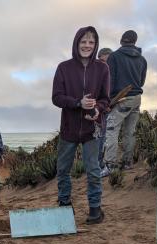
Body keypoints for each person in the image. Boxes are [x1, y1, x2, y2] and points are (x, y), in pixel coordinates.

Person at [52, 26, 110, 224]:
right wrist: (78, 103)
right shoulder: (63, 67)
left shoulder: (103, 68)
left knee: (93, 170)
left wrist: (97, 110)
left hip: (92, 129)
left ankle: (95, 210)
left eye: (91, 42)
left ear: (96, 45)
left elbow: (105, 99)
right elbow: (56, 97)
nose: (87, 45)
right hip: (68, 128)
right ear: (76, 43)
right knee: (63, 170)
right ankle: (64, 206)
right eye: (83, 41)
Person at [101, 30, 147, 176]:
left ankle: (110, 166)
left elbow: (110, 81)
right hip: (136, 99)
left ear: (121, 40)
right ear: (135, 42)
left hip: (121, 99)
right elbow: (141, 82)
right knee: (129, 132)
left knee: (111, 130)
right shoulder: (142, 59)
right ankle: (127, 163)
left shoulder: (114, 56)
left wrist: (107, 101)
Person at [97, 48, 113, 169]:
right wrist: (103, 106)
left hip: (109, 108)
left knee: (106, 137)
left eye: (108, 61)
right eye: (103, 60)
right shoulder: (96, 72)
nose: (105, 64)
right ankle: (97, 164)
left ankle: (101, 162)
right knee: (99, 137)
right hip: (98, 111)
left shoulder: (111, 72)